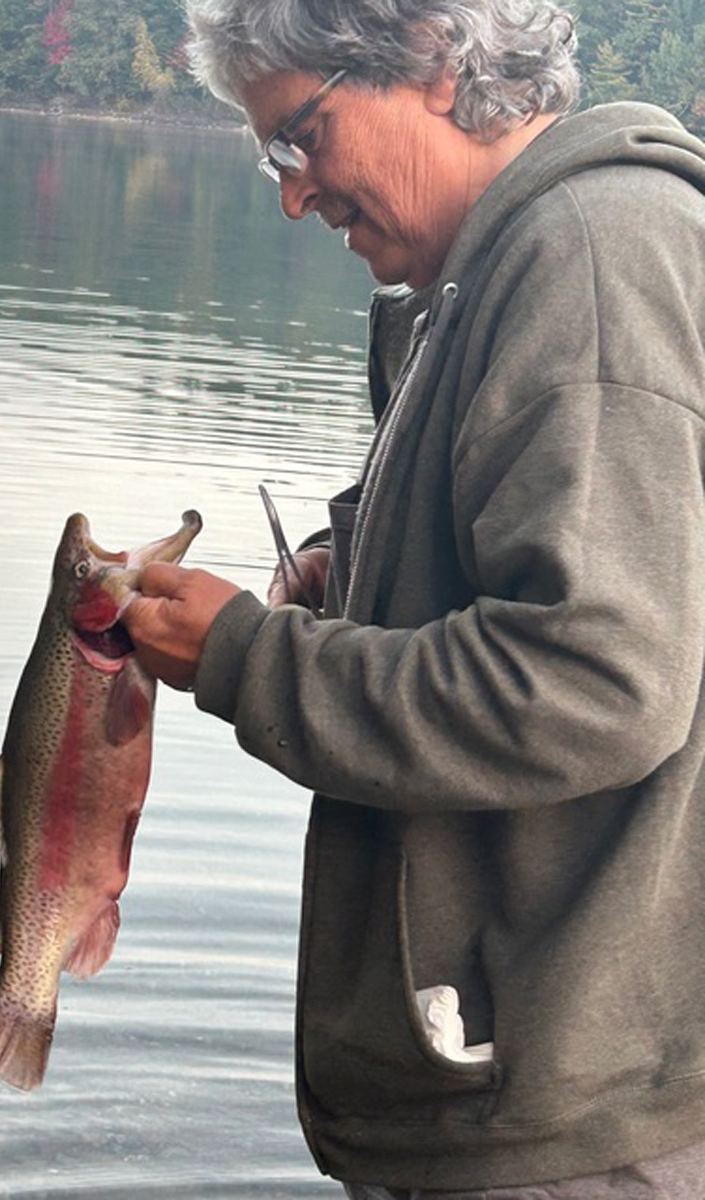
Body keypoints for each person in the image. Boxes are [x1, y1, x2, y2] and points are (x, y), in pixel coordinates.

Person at [121, 1, 705, 1195]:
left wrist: (247, 657)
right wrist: (371, 581)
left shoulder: (590, 251)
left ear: (434, 62)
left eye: (300, 139)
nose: (292, 194)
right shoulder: (506, 263)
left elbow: (596, 682)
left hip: (562, 1108)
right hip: (521, 1072)